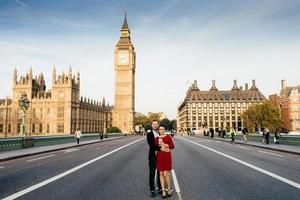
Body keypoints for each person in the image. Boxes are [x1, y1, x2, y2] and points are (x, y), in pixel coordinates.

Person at [156, 125, 175, 198]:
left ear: (164, 130)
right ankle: (163, 190)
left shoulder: (168, 137)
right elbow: (155, 147)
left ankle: (169, 189)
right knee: (161, 173)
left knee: (166, 173)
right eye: (160, 129)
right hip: (160, 156)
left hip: (166, 156)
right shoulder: (157, 138)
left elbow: (172, 146)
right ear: (159, 130)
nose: (161, 130)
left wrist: (164, 144)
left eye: (162, 129)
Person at [147, 120, 162, 198]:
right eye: (154, 124)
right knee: (152, 173)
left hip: (161, 156)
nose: (155, 125)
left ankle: (160, 188)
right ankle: (152, 190)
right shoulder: (149, 134)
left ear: (158, 125)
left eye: (156, 124)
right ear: (151, 125)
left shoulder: (161, 133)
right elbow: (151, 145)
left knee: (160, 173)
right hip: (152, 156)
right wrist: (161, 148)